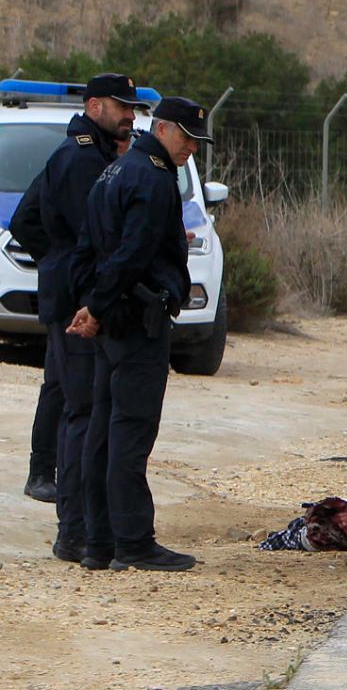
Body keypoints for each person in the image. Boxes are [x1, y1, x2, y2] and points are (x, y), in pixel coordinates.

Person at [66, 97, 214, 572]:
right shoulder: (151, 177)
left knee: (104, 435)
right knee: (129, 434)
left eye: (197, 140)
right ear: (165, 130)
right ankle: (132, 541)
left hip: (114, 320)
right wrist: (96, 305)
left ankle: (97, 542)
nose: (193, 147)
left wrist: (90, 303)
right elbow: (132, 254)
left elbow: (87, 245)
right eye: (188, 137)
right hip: (136, 321)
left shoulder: (116, 170)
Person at [9, 74, 147, 564]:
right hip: (78, 306)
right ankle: (75, 531)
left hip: (76, 300)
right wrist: (65, 269)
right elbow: (83, 235)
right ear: (94, 106)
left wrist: (57, 264)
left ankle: (82, 527)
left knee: (76, 405)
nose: (130, 114)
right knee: (82, 412)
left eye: (132, 106)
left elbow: (27, 219)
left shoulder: (97, 156)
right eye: (120, 105)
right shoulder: (80, 160)